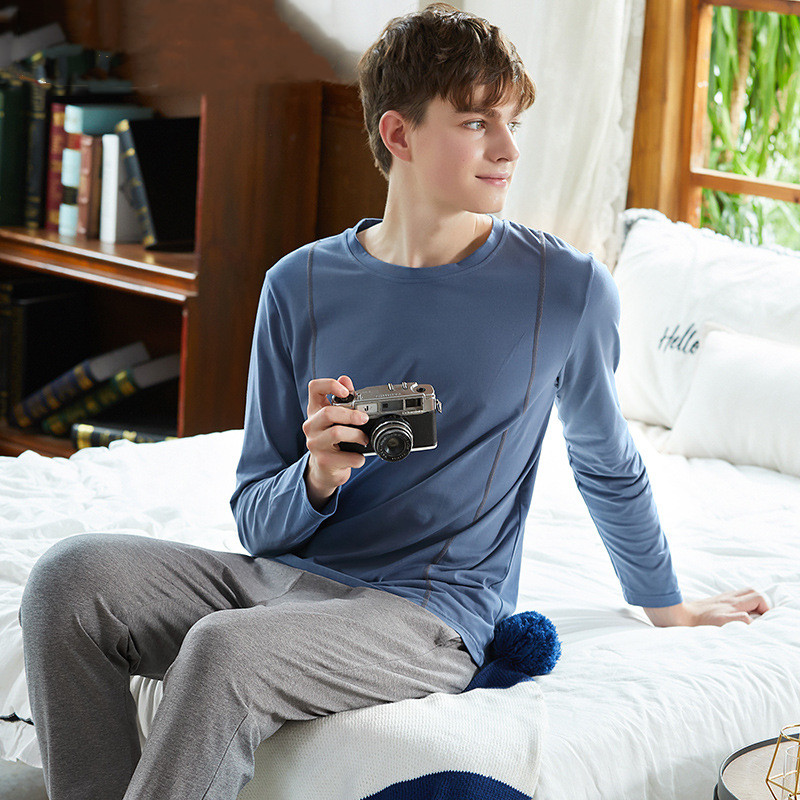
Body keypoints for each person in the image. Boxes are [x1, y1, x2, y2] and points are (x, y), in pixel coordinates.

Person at [19, 4, 769, 800]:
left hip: (428, 615)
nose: (509, 149)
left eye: (512, 123)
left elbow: (605, 460)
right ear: (399, 134)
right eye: (477, 123)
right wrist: (316, 478)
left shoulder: (564, 289)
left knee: (223, 651)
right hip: (281, 583)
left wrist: (666, 604)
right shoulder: (299, 284)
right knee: (67, 581)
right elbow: (256, 520)